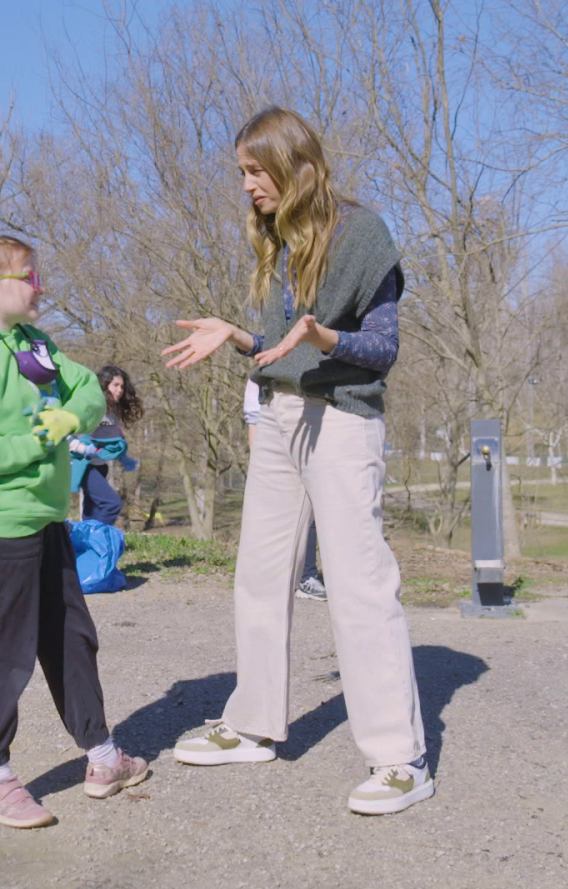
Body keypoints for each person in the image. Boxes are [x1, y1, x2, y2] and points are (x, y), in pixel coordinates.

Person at [162, 107, 429, 816]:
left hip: (341, 421)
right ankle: (253, 725)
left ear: (291, 162)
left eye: (256, 171)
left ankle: (400, 758)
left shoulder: (363, 234)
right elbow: (285, 350)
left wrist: (327, 336)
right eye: (243, 174)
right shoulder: (278, 239)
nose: (247, 186)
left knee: (358, 586)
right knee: (260, 574)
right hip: (279, 418)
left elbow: (382, 349)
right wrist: (240, 335)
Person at [0, 234, 148, 829]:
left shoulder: (36, 344)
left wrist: (70, 416)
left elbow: (84, 389)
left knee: (70, 638)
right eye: (29, 276)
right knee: (4, 652)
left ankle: (104, 757)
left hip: (46, 519)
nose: (40, 286)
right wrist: (41, 438)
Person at [243, 380, 324, 600]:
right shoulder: (260, 378)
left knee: (312, 513)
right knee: (277, 519)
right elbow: (253, 418)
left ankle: (305, 576)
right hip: (277, 447)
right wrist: (258, 460)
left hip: (311, 441)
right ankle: (288, 578)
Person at [70, 365, 142, 526]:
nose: (120, 390)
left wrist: (123, 456)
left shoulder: (114, 411)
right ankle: (98, 540)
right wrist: (83, 446)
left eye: (122, 386)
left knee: (92, 509)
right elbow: (73, 434)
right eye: (115, 385)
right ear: (104, 385)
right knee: (111, 504)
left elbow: (111, 441)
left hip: (101, 466)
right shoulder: (92, 406)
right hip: (84, 466)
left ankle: (84, 542)